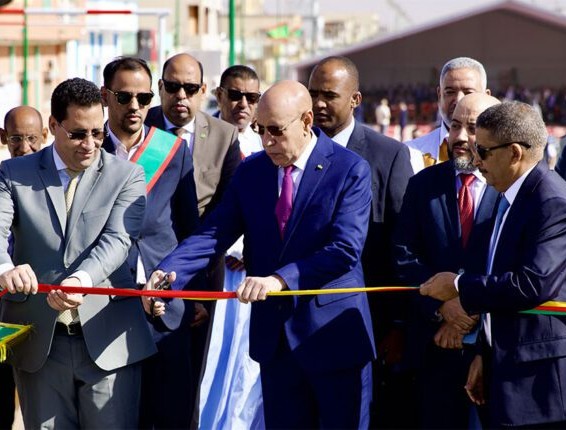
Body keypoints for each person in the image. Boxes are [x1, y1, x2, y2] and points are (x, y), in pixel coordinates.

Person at [145, 80, 375, 428]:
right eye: (260, 130)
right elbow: (215, 232)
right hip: (276, 345)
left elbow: (344, 250)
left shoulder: (349, 169)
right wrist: (169, 271)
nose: (267, 141)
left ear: (307, 121)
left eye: (277, 131)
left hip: (332, 340)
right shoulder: (253, 172)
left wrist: (280, 279)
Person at [0, 78, 155, 429]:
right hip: (40, 345)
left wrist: (81, 281)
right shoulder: (12, 173)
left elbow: (118, 240)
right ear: (53, 126)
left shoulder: (128, 175)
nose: (89, 145)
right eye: (77, 134)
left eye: (97, 134)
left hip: (109, 342)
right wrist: (4, 267)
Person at [421, 101, 566, 428]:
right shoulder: (511, 197)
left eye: (483, 151)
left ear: (514, 153)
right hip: (503, 368)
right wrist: (485, 356)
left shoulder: (551, 201)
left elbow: (531, 285)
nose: (475, 160)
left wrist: (458, 286)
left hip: (538, 385)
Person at [307, 55, 413, 428]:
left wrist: (399, 323)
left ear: (355, 99)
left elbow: (403, 243)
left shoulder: (389, 155)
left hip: (365, 322)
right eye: (313, 93)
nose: (318, 104)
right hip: (299, 318)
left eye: (329, 95)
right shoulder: (289, 151)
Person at [100, 56, 201, 429]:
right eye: (125, 97)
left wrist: (194, 294)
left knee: (173, 411)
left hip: (167, 307)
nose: (135, 107)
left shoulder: (172, 151)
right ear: (105, 96)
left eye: (143, 98)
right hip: (107, 306)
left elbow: (191, 228)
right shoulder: (89, 151)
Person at [394, 93, 500, 428]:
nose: (460, 138)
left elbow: (518, 268)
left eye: (472, 128)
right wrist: (443, 310)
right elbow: (403, 258)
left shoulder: (513, 190)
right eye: (455, 125)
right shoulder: (423, 185)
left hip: (496, 351)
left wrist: (468, 310)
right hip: (434, 349)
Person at [144, 53, 241, 401]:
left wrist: (195, 291)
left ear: (203, 91)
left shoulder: (224, 136)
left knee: (187, 380)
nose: (180, 96)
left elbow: (224, 215)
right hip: (140, 272)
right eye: (172, 87)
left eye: (189, 88)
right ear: (160, 88)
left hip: (200, 271)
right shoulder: (142, 126)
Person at [198, 64, 264, 429]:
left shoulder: (264, 144)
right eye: (234, 95)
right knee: (211, 369)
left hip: (253, 278)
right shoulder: (201, 138)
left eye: (251, 98)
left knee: (246, 370)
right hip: (211, 274)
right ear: (218, 95)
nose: (242, 104)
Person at [0, 106, 49, 430]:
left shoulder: (54, 181)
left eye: (32, 138)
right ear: (4, 138)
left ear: (45, 136)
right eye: (16, 138)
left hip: (41, 314)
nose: (25, 146)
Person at [406, 57, 490, 173]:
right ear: (439, 95)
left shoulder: (503, 156)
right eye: (450, 92)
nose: (459, 100)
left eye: (468, 93)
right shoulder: (410, 153)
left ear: (486, 96)